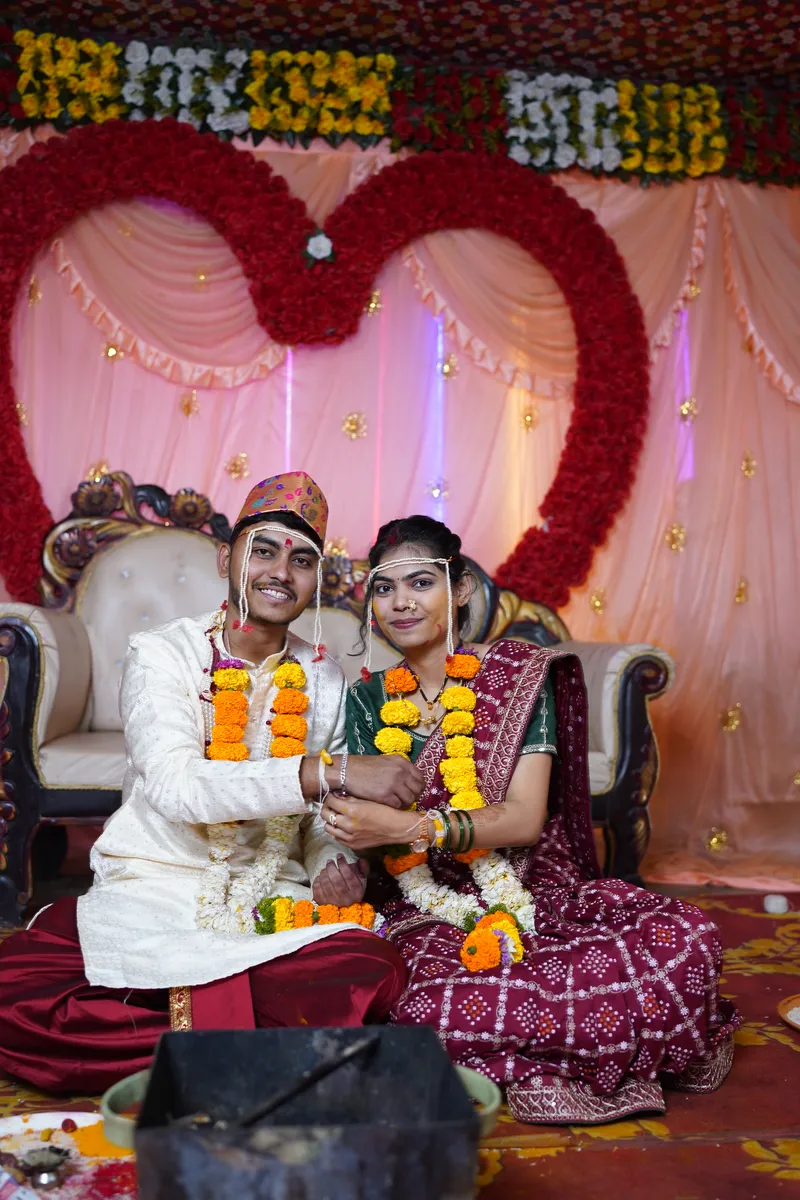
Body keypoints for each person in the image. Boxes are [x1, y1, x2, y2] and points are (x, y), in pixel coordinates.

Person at [0, 472, 422, 1093]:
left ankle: (178, 1029)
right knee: (16, 994)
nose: (281, 572)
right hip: (159, 881)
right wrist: (327, 769)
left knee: (373, 969)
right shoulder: (162, 654)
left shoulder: (325, 678)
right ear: (226, 559)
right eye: (264, 551)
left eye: (302, 560)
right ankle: (253, 1042)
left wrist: (333, 863)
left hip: (269, 894)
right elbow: (177, 787)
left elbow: (319, 819)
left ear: (316, 579)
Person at [322, 515, 741, 1125]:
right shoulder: (366, 698)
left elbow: (522, 821)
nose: (400, 603)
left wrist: (413, 827)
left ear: (460, 588)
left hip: (531, 883)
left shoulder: (517, 675)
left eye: (420, 583)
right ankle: (576, 1044)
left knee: (686, 938)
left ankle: (546, 1047)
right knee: (424, 1003)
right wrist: (348, 858)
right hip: (424, 903)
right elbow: (367, 831)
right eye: (384, 589)